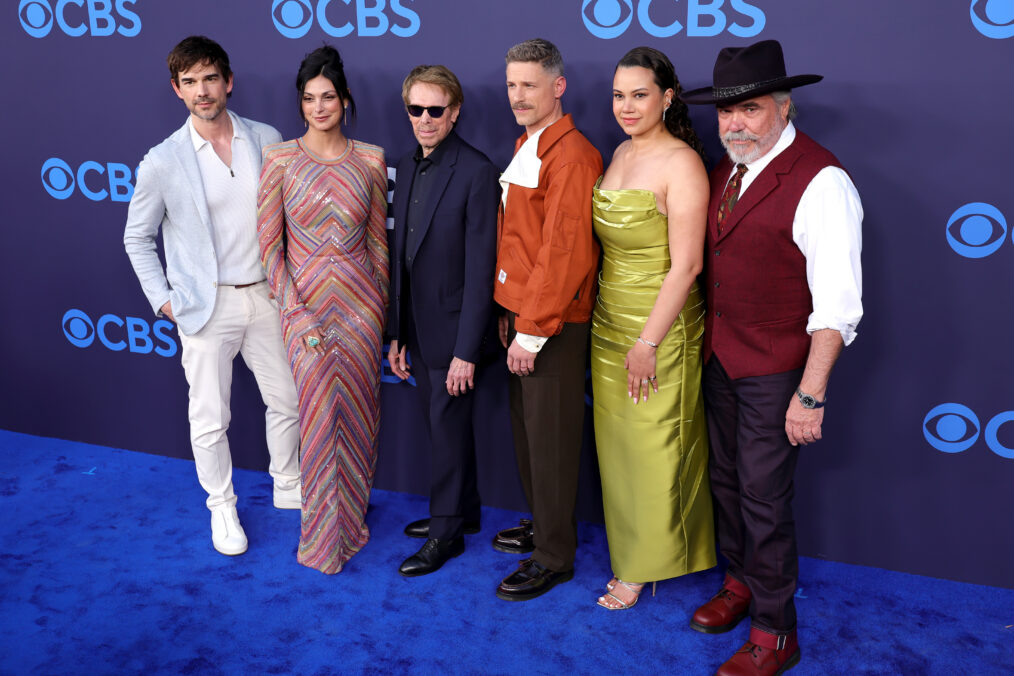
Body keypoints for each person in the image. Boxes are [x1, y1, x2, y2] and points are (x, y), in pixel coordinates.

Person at [681, 40, 863, 675]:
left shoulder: (822, 179)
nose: (734, 123)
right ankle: (743, 583)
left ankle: (776, 631)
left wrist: (810, 394)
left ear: (784, 108)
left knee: (764, 498)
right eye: (726, 112)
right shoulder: (729, 169)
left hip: (777, 371)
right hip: (722, 361)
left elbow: (838, 303)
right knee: (728, 486)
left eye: (749, 109)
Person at [123, 36, 300, 557]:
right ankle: (222, 506)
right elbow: (137, 237)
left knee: (287, 401)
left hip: (266, 296)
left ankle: (288, 483)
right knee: (210, 417)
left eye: (210, 79)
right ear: (177, 90)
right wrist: (165, 300)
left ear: (228, 81)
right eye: (190, 82)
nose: (202, 91)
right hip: (206, 307)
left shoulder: (266, 139)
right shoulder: (162, 161)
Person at [590, 46, 716, 611]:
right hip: (607, 323)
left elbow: (687, 265)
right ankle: (632, 547)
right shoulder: (618, 152)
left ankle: (647, 564)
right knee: (618, 448)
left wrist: (648, 342)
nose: (627, 106)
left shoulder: (683, 163)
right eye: (619, 95)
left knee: (655, 446)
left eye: (639, 95)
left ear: (667, 97)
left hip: (658, 330)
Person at [257, 45, 389, 575]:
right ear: (300, 104)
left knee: (358, 419)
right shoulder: (280, 159)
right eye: (309, 98)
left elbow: (379, 243)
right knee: (317, 417)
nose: (319, 107)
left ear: (345, 100)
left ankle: (352, 523)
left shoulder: (372, 158)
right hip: (303, 312)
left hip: (361, 310)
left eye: (328, 96)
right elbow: (270, 249)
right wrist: (295, 313)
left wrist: (378, 304)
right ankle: (321, 537)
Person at [492, 38, 602, 602]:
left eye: (529, 85)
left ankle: (555, 557)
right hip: (520, 317)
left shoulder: (573, 154)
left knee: (553, 442)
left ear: (558, 86)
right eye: (512, 85)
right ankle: (543, 526)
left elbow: (565, 254)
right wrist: (513, 320)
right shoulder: (529, 142)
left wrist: (532, 331)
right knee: (530, 436)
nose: (518, 95)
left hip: (550, 325)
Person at [387, 65, 500, 577]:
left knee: (447, 430)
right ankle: (463, 513)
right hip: (418, 325)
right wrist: (398, 333)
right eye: (417, 109)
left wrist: (466, 349)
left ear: (454, 113)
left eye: (437, 110)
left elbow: (481, 271)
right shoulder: (409, 165)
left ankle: (446, 532)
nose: (426, 119)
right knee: (443, 429)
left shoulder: (476, 171)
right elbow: (404, 256)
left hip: (456, 332)